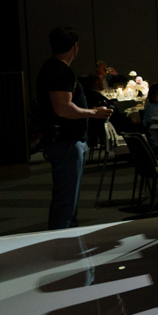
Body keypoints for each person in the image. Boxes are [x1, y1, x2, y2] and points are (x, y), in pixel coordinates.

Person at [35, 27, 113, 230]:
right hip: (66, 144)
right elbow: (63, 108)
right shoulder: (59, 70)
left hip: (63, 143)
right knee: (66, 202)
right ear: (75, 47)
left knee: (66, 200)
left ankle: (65, 239)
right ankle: (62, 242)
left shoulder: (51, 68)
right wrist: (94, 113)